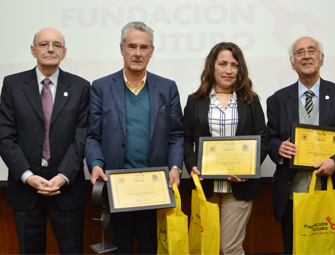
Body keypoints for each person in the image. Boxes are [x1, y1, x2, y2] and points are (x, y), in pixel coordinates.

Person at [85, 21, 184, 254]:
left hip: (156, 189)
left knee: (152, 249)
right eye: (132, 46)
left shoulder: (167, 88)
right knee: (120, 249)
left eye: (144, 47)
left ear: (152, 51)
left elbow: (177, 134)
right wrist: (96, 164)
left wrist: (176, 167)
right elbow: (92, 136)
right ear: (121, 49)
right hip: (117, 189)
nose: (137, 53)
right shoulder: (100, 87)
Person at [266, 36, 335, 254]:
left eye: (312, 51)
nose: (306, 56)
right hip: (292, 195)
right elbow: (271, 138)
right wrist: (278, 148)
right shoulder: (276, 99)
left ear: (321, 58)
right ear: (292, 62)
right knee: (294, 249)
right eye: (300, 52)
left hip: (331, 191)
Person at [0, 27, 89, 254]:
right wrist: (28, 177)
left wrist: (63, 177)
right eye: (43, 44)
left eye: (57, 45)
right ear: (33, 50)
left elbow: (81, 137)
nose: (50, 49)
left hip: (66, 189)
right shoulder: (12, 85)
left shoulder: (80, 87)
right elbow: (5, 136)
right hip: (25, 189)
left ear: (64, 52)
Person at [184, 42, 269, 255]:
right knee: (206, 247)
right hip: (207, 188)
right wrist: (193, 165)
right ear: (212, 66)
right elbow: (185, 140)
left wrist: (248, 169)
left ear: (240, 70)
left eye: (234, 65)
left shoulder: (251, 100)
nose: (229, 70)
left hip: (238, 189)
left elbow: (264, 139)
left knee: (229, 248)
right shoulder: (195, 101)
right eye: (222, 63)